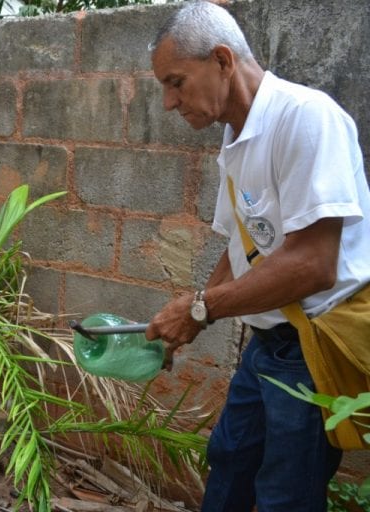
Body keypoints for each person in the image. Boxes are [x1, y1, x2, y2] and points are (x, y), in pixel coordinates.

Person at [146, 2, 370, 511]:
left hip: (314, 343)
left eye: (176, 81)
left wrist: (203, 307)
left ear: (223, 60)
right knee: (229, 459)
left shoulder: (306, 118)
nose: (167, 102)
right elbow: (242, 247)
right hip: (268, 343)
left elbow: (314, 263)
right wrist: (193, 314)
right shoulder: (236, 137)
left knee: (284, 494)